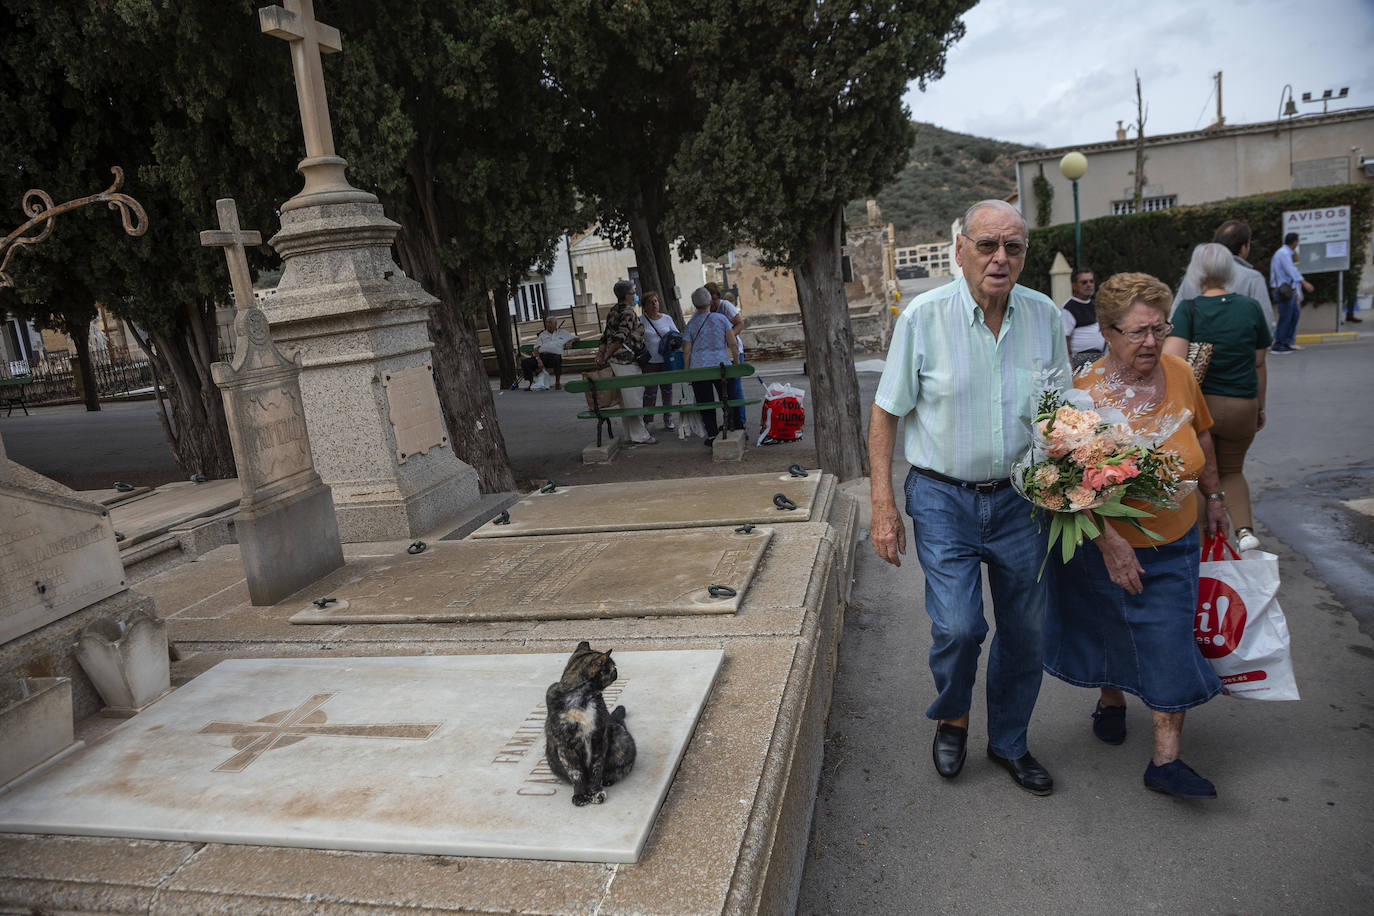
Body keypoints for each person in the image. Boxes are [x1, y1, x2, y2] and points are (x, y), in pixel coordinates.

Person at [869, 199, 1070, 796]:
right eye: (987, 245)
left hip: (1023, 498)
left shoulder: (1044, 317)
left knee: (1026, 631)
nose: (1000, 258)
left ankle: (1008, 741)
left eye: (1013, 247)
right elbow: (885, 415)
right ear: (961, 250)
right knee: (959, 626)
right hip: (941, 496)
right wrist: (882, 505)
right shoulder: (924, 318)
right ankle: (953, 716)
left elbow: (1060, 417)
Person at [1045, 271, 1228, 800]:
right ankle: (1111, 699)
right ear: (1106, 331)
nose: (1151, 341)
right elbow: (1065, 487)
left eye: (1158, 328)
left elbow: (1204, 436)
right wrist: (1109, 542)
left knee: (1169, 638)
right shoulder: (1081, 396)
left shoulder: (1180, 372)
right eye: (1137, 332)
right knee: (1109, 627)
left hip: (1178, 536)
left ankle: (1165, 762)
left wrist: (1214, 499)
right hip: (1107, 544)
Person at [1165, 243, 1271, 553]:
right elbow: (1260, 362)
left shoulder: (1190, 309)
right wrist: (1260, 406)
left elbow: (1174, 360)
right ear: (1230, 270)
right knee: (1232, 470)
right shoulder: (1250, 308)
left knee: (1200, 475)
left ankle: (1203, 542)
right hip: (1243, 405)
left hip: (1202, 407)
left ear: (1195, 272)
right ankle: (1245, 531)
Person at [1172, 219, 1274, 329]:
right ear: (1243, 248)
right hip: (1239, 344)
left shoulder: (1192, 275)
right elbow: (1265, 323)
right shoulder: (1253, 278)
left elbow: (1174, 318)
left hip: (1196, 344)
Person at [596, 280, 655, 444]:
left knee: (626, 401)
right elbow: (619, 336)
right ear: (627, 295)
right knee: (633, 400)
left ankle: (631, 434)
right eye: (634, 292)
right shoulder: (628, 312)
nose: (635, 294)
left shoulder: (613, 310)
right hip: (626, 361)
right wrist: (606, 354)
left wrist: (602, 354)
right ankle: (640, 435)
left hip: (616, 362)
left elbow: (605, 335)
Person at [682, 286, 739, 445]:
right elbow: (733, 344)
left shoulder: (691, 324)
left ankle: (712, 433)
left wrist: (687, 372)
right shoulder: (721, 319)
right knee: (727, 398)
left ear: (694, 304)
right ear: (709, 302)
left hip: (699, 369)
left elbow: (686, 351)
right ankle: (733, 427)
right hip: (722, 366)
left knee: (705, 402)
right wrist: (737, 364)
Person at [706, 281, 747, 431]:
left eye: (716, 299)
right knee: (723, 390)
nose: (714, 303)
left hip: (733, 351)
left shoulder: (725, 306)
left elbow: (740, 323)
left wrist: (728, 337)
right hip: (718, 354)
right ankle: (728, 420)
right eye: (711, 300)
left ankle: (740, 422)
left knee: (735, 389)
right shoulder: (706, 310)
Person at [639, 291, 678, 430]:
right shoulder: (641, 320)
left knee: (667, 391)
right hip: (650, 362)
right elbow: (637, 340)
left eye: (656, 301)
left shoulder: (666, 318)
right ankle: (648, 420)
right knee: (650, 392)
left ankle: (668, 418)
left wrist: (673, 341)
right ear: (644, 306)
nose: (654, 304)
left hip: (666, 360)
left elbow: (676, 334)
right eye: (651, 302)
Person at [1268, 232, 1313, 353]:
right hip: (1283, 291)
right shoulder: (1283, 254)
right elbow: (1291, 271)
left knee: (1294, 315)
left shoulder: (1286, 253)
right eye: (1297, 241)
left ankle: (1287, 342)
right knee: (1286, 318)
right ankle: (1279, 345)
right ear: (1294, 242)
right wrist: (1305, 283)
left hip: (1289, 290)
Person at [1061, 268, 1104, 370]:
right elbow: (1064, 339)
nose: (1088, 285)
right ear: (1074, 285)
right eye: (1084, 282)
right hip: (1081, 361)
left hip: (1099, 357)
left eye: (1091, 281)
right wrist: (1069, 363)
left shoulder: (1095, 305)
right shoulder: (1068, 308)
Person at [532, 316, 578, 390]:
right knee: (526, 362)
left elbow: (576, 338)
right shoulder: (543, 334)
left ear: (555, 324)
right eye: (546, 322)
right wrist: (538, 359)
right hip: (542, 356)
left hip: (554, 357)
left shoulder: (562, 333)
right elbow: (536, 348)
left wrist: (570, 341)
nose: (547, 324)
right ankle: (531, 384)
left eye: (550, 322)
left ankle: (557, 383)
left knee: (557, 358)